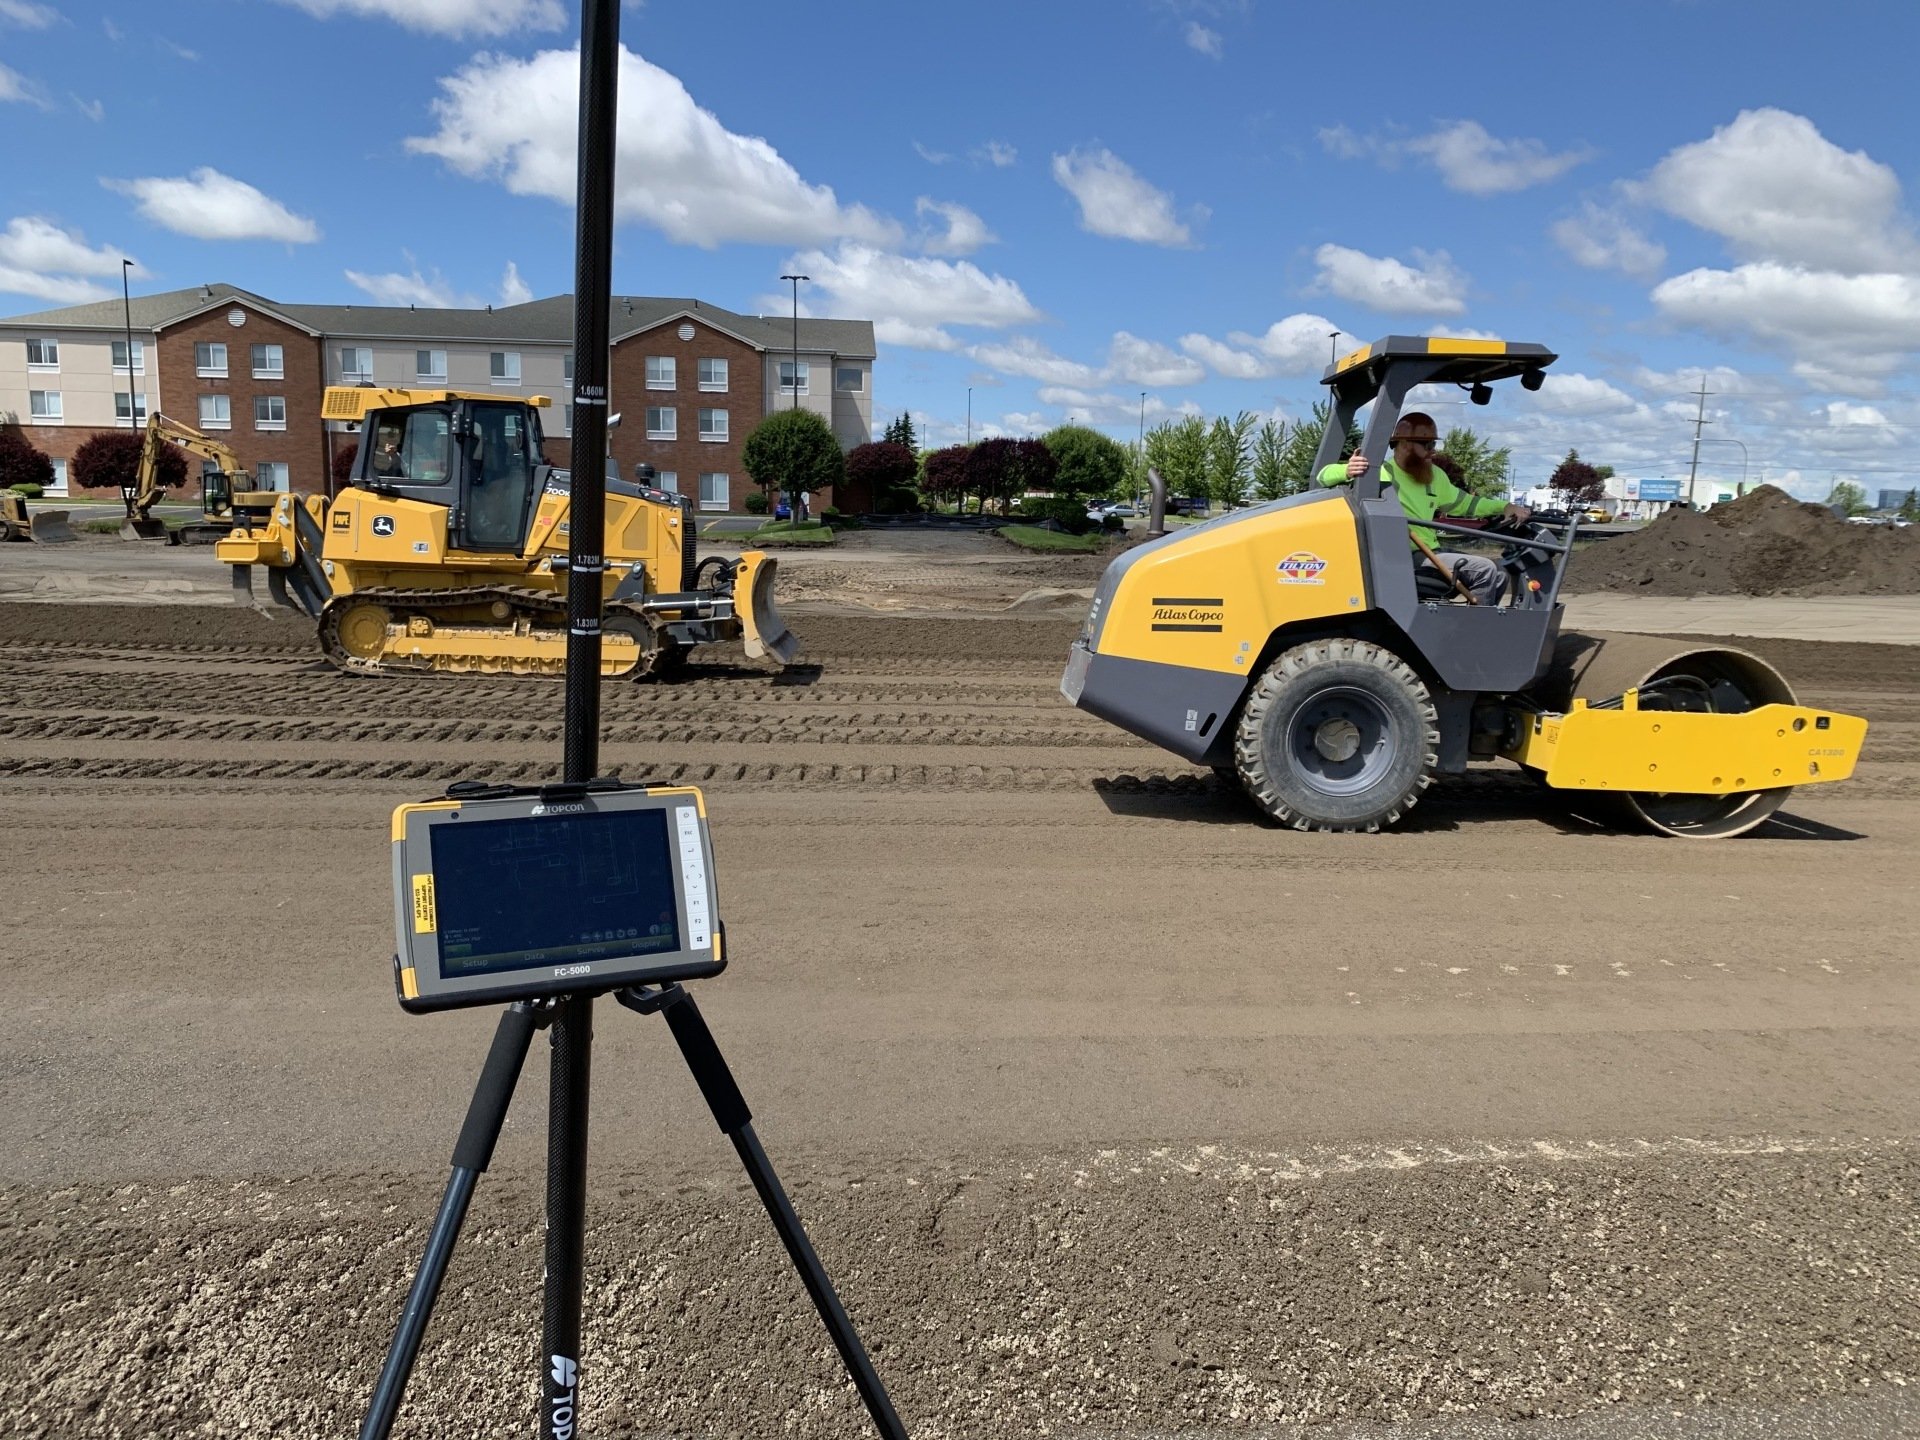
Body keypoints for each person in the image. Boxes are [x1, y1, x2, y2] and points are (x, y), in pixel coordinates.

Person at [1318, 411, 1531, 605]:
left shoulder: (1433, 475)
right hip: (1404, 556)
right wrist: (1347, 469)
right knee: (1484, 569)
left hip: (1431, 549)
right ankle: (1477, 632)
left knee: (1499, 574)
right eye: (1427, 445)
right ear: (1405, 444)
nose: (1433, 451)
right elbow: (1322, 476)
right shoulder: (1381, 473)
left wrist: (1505, 506)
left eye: (1433, 445)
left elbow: (1466, 503)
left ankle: (1465, 625)